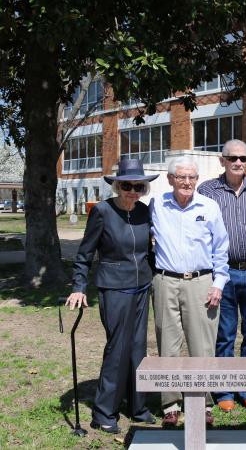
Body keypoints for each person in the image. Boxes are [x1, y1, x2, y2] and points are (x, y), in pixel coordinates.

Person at [65, 159, 158, 434]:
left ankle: (137, 406)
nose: (132, 191)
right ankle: (104, 412)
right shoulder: (103, 212)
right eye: (127, 185)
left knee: (138, 348)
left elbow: (149, 251)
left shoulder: (144, 212)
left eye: (138, 186)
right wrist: (78, 286)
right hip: (114, 288)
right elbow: (85, 253)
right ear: (117, 186)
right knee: (117, 349)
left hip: (142, 287)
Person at [198, 139, 246, 413]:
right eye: (232, 158)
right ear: (222, 160)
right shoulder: (207, 190)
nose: (238, 163)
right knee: (225, 334)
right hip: (223, 273)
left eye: (243, 158)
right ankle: (223, 390)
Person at [150, 156, 229, 428]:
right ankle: (170, 404)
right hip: (165, 281)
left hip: (201, 282)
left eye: (191, 177)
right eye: (181, 177)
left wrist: (218, 283)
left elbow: (221, 248)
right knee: (168, 344)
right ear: (170, 179)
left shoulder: (209, 206)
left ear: (197, 180)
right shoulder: (157, 205)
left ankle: (203, 402)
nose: (186, 182)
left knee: (202, 345)